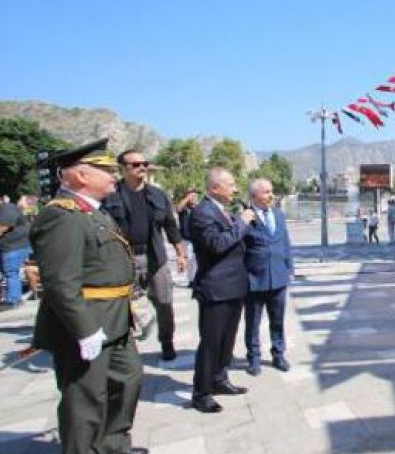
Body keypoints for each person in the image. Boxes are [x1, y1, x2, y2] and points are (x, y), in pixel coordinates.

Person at [29, 139, 146, 454]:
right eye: (106, 170)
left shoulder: (92, 212)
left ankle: (112, 445)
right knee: (85, 399)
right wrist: (85, 330)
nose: (113, 176)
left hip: (116, 319)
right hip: (89, 322)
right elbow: (60, 283)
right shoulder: (62, 217)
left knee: (128, 380)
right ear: (80, 176)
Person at [102, 149, 188, 361]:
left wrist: (181, 253)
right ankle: (124, 348)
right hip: (122, 259)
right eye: (135, 164)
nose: (142, 167)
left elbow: (170, 225)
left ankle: (167, 342)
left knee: (164, 302)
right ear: (123, 168)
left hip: (154, 257)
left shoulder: (157, 195)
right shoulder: (110, 195)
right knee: (122, 306)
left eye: (144, 163)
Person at [189, 167, 255, 414]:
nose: (235, 188)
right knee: (211, 342)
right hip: (215, 289)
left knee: (227, 340)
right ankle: (201, 392)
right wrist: (242, 222)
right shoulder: (202, 213)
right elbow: (218, 244)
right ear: (215, 188)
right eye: (230, 184)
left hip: (234, 286)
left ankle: (219, 379)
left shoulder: (223, 211)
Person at [243, 178, 294, 376]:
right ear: (254, 196)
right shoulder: (246, 217)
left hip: (279, 277)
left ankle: (278, 354)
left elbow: (285, 243)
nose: (270, 195)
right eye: (265, 192)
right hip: (255, 278)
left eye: (271, 191)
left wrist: (289, 268)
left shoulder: (279, 215)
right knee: (253, 321)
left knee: (278, 319)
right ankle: (254, 358)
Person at [0, 201, 31, 309]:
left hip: (15, 246)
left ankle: (12, 300)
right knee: (9, 272)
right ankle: (16, 298)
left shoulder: (7, 209)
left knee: (10, 272)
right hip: (9, 246)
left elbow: (3, 227)